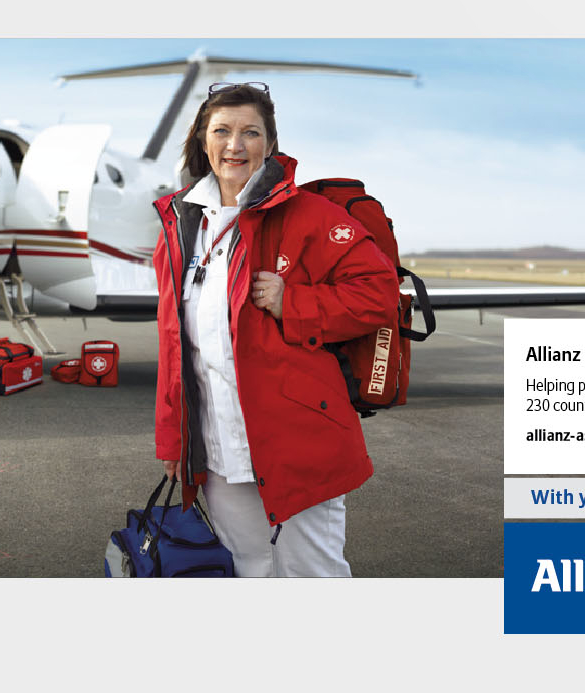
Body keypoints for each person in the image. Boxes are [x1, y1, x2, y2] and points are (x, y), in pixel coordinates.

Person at [151, 82, 400, 577]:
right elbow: (175, 345)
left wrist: (295, 303)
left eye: (251, 132)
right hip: (218, 449)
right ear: (203, 140)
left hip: (297, 444)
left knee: (311, 575)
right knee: (248, 569)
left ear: (270, 143)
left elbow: (380, 292)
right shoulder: (180, 225)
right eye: (222, 131)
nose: (235, 145)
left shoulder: (310, 216)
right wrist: (173, 439)